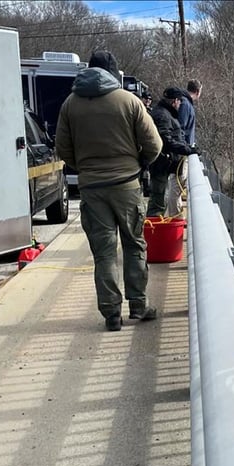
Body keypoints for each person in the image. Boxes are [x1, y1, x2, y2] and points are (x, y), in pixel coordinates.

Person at [55, 51, 163, 331]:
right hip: (126, 185)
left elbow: (63, 149)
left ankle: (111, 314)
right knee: (134, 244)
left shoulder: (70, 104)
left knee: (103, 253)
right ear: (114, 74)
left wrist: (85, 168)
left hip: (91, 189)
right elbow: (155, 145)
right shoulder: (129, 101)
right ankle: (138, 306)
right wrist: (139, 163)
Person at [147, 87, 196, 218]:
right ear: (175, 101)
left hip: (163, 163)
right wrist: (185, 149)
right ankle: (155, 233)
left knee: (160, 200)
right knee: (158, 202)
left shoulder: (163, 113)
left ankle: (156, 230)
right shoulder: (163, 115)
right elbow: (165, 140)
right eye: (179, 101)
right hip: (160, 164)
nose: (180, 104)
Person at [165, 79, 202, 220]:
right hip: (182, 151)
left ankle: (177, 216)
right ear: (198, 91)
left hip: (184, 150)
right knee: (177, 183)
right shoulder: (186, 105)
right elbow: (181, 128)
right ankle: (175, 217)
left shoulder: (185, 103)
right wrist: (185, 147)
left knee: (179, 183)